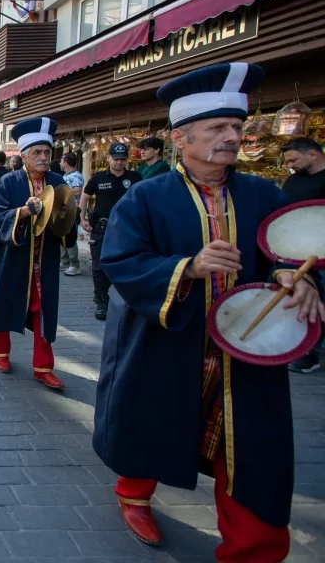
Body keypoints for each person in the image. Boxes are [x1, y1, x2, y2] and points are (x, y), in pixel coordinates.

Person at [94, 62, 324, 559]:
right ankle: (134, 495)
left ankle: (252, 548)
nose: (231, 137)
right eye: (217, 128)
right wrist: (188, 268)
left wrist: (296, 279)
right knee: (152, 421)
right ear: (181, 138)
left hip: (246, 349)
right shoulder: (146, 197)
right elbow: (121, 262)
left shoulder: (264, 193)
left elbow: (288, 254)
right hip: (170, 339)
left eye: (237, 127)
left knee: (254, 453)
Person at [0, 118, 66, 391]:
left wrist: (65, 217)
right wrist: (24, 212)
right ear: (24, 156)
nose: (43, 158)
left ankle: (43, 367)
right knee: (3, 301)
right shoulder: (7, 182)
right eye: (37, 153)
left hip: (43, 260)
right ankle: (0, 354)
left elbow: (66, 218)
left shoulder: (58, 181)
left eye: (47, 153)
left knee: (43, 311)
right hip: (11, 256)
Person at [80, 143, 142, 320]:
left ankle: (126, 301)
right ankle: (101, 299)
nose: (119, 163)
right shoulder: (98, 178)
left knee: (127, 263)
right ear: (108, 158)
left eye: (122, 159)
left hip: (127, 229)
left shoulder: (135, 178)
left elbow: (143, 200)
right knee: (99, 264)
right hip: (101, 228)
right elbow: (84, 198)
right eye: (115, 159)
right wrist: (82, 219)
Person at [280, 136, 325, 374]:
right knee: (302, 294)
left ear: (313, 154)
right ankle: (304, 347)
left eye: (294, 160)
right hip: (296, 248)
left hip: (321, 250)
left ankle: (312, 353)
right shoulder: (294, 179)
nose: (291, 165)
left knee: (319, 298)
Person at [59, 152, 84, 277]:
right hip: (63, 210)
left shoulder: (75, 175)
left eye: (62, 161)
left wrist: (63, 192)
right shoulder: (65, 175)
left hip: (71, 210)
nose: (60, 163)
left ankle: (75, 264)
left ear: (66, 163)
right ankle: (65, 260)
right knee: (62, 235)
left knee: (70, 236)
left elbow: (77, 190)